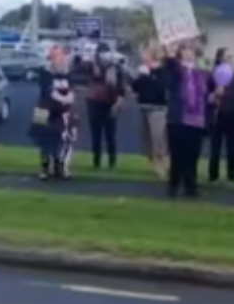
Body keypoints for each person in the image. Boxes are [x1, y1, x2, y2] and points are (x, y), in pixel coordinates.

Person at [163, 42, 209, 198]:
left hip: (197, 120)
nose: (189, 53)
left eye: (191, 50)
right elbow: (170, 68)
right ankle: (174, 185)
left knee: (193, 154)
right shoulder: (177, 71)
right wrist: (170, 55)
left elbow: (205, 93)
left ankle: (191, 186)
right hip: (178, 118)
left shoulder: (201, 73)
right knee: (177, 154)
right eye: (186, 50)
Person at [33, 48, 76, 181]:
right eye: (57, 58)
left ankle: (59, 167)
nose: (60, 61)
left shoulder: (68, 74)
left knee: (61, 140)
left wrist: (70, 98)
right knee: (44, 141)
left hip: (61, 112)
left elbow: (71, 90)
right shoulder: (44, 73)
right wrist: (64, 99)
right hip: (43, 110)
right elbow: (50, 91)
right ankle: (44, 168)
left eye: (62, 58)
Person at [208, 50, 234, 184]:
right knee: (215, 148)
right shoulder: (213, 76)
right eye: (227, 57)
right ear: (220, 59)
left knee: (232, 149)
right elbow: (206, 94)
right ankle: (213, 176)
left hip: (232, 117)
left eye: (231, 58)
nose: (230, 60)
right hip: (217, 116)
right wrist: (214, 96)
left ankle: (231, 176)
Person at [131, 45, 169, 179]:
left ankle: (161, 162)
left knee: (158, 137)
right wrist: (139, 77)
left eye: (145, 53)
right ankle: (153, 162)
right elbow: (135, 87)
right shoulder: (142, 70)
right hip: (144, 106)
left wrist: (149, 75)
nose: (142, 56)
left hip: (158, 108)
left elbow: (162, 87)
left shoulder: (162, 70)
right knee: (147, 138)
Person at [87, 49, 126, 170]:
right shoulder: (93, 68)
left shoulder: (116, 70)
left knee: (110, 136)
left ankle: (112, 161)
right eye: (101, 55)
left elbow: (121, 90)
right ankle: (96, 160)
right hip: (95, 105)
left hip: (110, 106)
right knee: (96, 136)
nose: (104, 58)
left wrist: (118, 104)